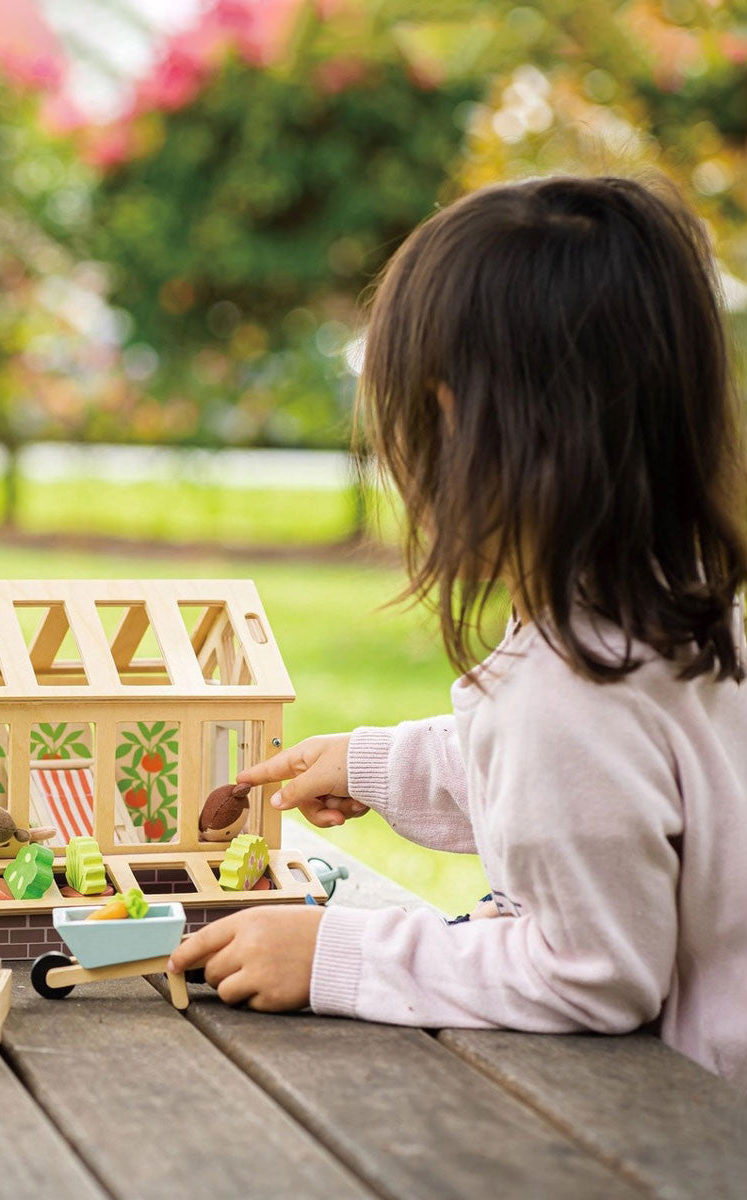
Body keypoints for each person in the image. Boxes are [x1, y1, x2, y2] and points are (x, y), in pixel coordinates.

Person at [168, 175, 747, 1088]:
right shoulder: (678, 614)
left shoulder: (570, 696)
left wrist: (336, 955)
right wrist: (376, 766)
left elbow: (591, 979)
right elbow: (587, 802)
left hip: (680, 1125)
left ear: (455, 422)